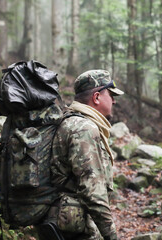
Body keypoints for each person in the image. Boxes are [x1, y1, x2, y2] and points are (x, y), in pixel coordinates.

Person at [37, 69, 123, 240]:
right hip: (73, 228)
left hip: (61, 220)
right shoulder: (83, 129)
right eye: (111, 95)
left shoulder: (72, 121)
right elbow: (93, 192)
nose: (113, 101)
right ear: (96, 97)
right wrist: (112, 236)